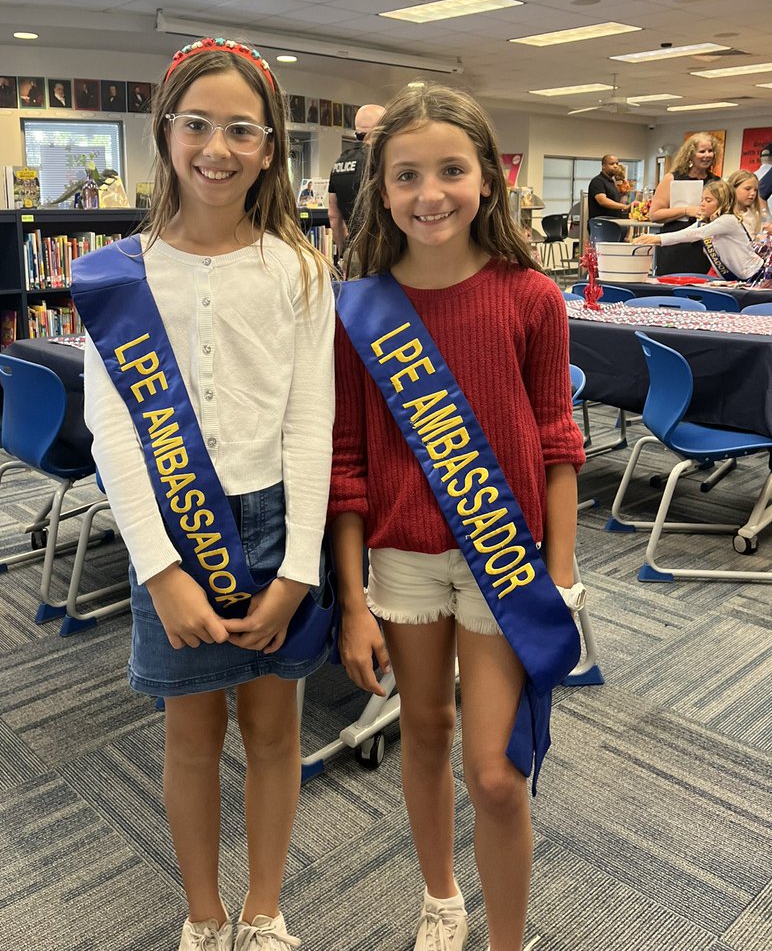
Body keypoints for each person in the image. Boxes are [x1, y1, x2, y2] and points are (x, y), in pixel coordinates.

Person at [76, 37, 335, 951]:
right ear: (164, 133)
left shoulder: (301, 269)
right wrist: (158, 571)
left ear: (269, 148)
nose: (215, 148)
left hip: (273, 528)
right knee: (190, 737)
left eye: (240, 129)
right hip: (174, 541)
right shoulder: (117, 276)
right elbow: (115, 434)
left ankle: (264, 910)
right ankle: (204, 914)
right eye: (196, 124)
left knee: (273, 728)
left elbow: (312, 425)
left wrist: (299, 569)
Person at [330, 84, 585, 951]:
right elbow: (350, 464)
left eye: (450, 170)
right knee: (426, 734)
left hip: (503, 562)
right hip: (403, 559)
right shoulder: (358, 310)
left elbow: (558, 441)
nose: (429, 193)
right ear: (381, 188)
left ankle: (509, 940)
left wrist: (560, 573)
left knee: (496, 774)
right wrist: (354, 598)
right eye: (406, 176)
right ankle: (442, 900)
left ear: (487, 180)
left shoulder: (530, 297)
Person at [636, 178, 771, 283]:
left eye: (708, 200)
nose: (702, 203)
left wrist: (658, 239)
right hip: (739, 278)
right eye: (702, 199)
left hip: (755, 275)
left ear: (722, 202)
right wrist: (652, 237)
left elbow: (693, 235)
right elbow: (684, 232)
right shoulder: (706, 223)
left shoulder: (728, 220)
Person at [648, 132, 721, 275]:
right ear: (690, 154)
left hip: (703, 247)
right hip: (675, 246)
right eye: (702, 151)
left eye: (710, 151)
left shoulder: (717, 182)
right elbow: (654, 214)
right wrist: (686, 211)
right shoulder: (672, 178)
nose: (707, 155)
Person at [327, 102, 386, 259]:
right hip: (384, 252)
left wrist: (342, 251)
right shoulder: (383, 161)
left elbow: (334, 215)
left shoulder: (340, 162)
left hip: (353, 253)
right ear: (381, 129)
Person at [586, 154, 630, 227]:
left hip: (613, 224)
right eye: (611, 164)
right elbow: (602, 201)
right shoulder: (598, 181)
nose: (615, 166)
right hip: (601, 226)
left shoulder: (611, 182)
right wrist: (624, 206)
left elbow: (615, 201)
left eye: (617, 164)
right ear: (603, 166)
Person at [728, 169, 769, 238]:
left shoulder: (756, 215)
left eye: (755, 190)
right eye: (747, 189)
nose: (753, 193)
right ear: (733, 188)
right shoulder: (725, 215)